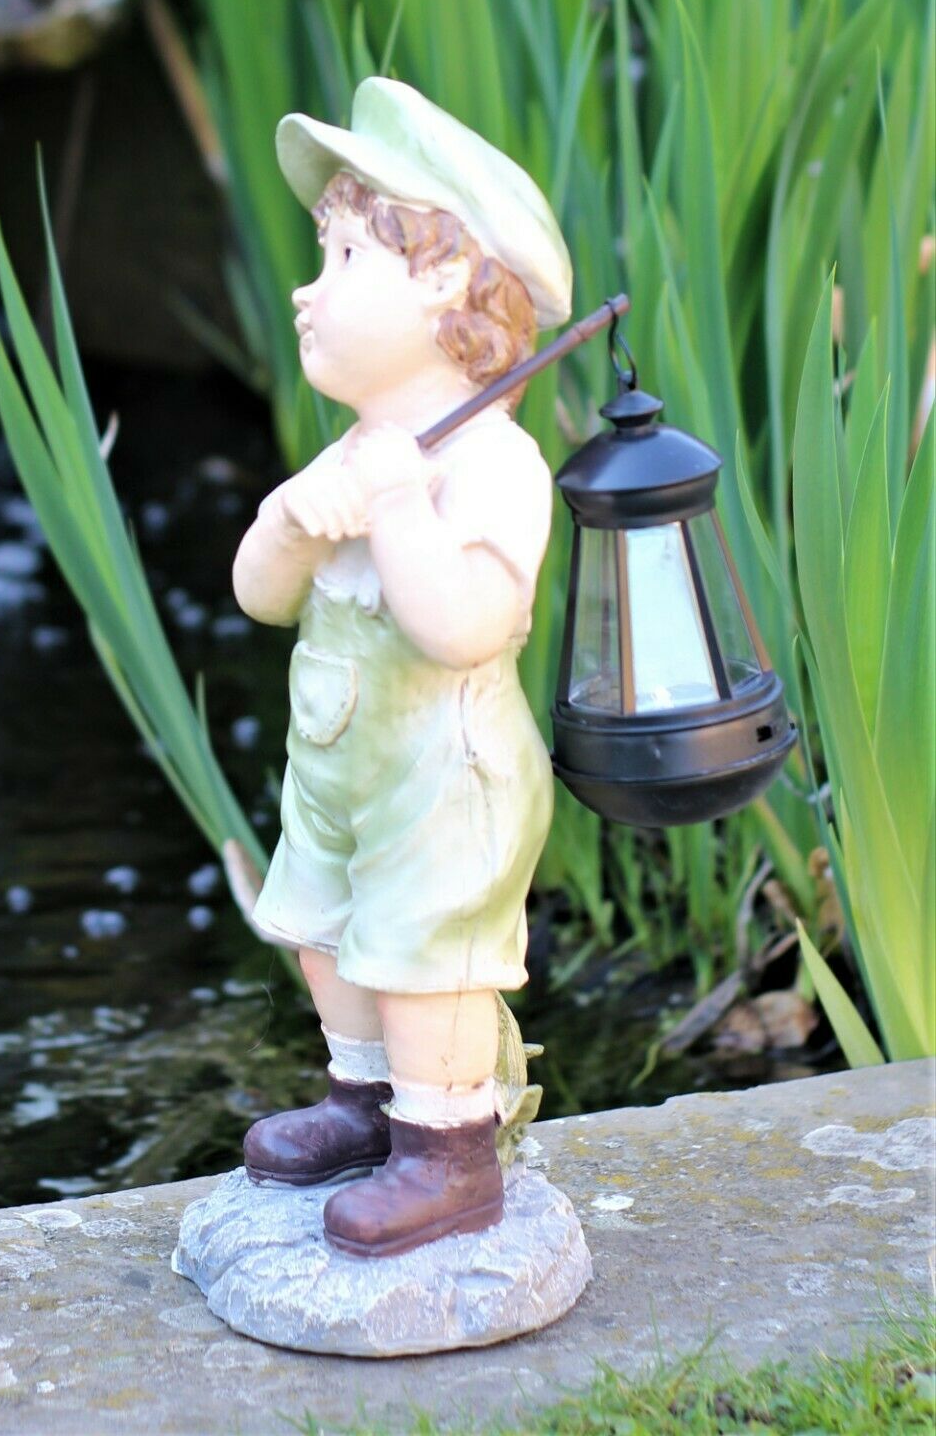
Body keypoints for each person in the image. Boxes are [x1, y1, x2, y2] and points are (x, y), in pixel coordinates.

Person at [230, 77, 572, 1258]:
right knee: (325, 927)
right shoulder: (360, 448)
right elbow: (261, 596)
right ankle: (362, 1096)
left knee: (426, 954)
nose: (304, 290)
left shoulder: (493, 464)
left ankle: (448, 1149)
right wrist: (292, 520)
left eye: (340, 261)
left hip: (444, 773)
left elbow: (471, 623)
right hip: (338, 760)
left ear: (441, 283)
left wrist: (398, 515)